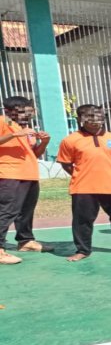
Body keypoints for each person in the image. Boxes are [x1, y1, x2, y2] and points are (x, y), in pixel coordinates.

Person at [56, 105, 111, 262]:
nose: (95, 120)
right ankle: (83, 250)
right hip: (83, 187)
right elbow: (66, 163)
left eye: (99, 116)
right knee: (82, 220)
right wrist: (81, 174)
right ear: (80, 119)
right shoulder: (70, 140)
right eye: (90, 117)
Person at [0, 97, 53, 264]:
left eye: (30, 111)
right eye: (24, 111)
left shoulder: (26, 129)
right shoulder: (3, 122)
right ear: (9, 111)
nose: (28, 114)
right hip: (9, 174)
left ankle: (25, 241)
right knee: (6, 211)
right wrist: (14, 134)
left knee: (26, 211)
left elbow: (34, 154)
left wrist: (44, 143)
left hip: (29, 174)